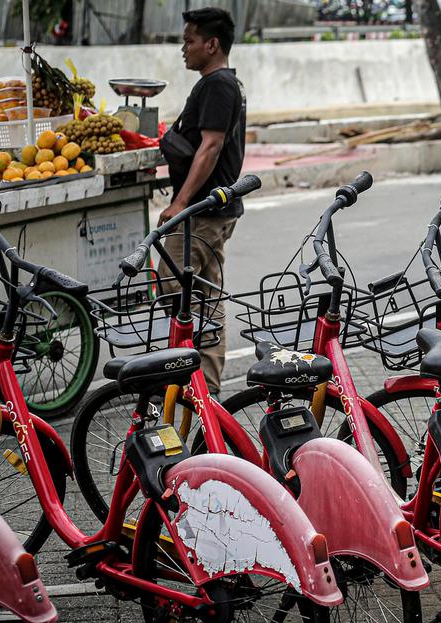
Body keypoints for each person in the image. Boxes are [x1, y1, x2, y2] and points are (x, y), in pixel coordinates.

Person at [159, 6, 247, 393]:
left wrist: (180, 203)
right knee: (207, 297)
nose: (184, 48)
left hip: (203, 213)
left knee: (175, 286)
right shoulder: (222, 84)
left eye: (190, 40)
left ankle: (185, 373)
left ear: (212, 45)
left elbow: (209, 147)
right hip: (214, 209)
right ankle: (205, 387)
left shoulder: (218, 86)